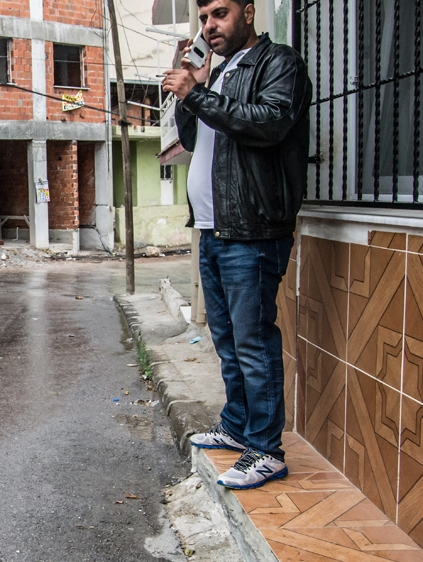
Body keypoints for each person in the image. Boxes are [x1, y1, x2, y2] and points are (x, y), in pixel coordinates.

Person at [161, 0, 311, 489]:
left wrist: (200, 94)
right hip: (211, 228)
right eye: (204, 17)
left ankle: (266, 450)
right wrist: (194, 90)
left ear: (249, 13)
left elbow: (267, 124)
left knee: (253, 341)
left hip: (253, 229)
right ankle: (238, 427)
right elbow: (192, 137)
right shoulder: (217, 74)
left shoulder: (279, 63)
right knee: (227, 341)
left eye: (219, 14)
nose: (209, 25)